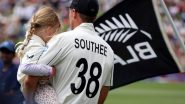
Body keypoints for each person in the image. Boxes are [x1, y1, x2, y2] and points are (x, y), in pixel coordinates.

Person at [18, 0, 114, 104]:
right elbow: (103, 93)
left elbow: (29, 80)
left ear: (73, 12)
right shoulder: (108, 50)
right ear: (94, 17)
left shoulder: (62, 39)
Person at [16, 6, 61, 104]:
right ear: (48, 29)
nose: (56, 34)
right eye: (56, 30)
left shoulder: (34, 41)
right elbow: (25, 67)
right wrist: (49, 70)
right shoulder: (36, 45)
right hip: (38, 89)